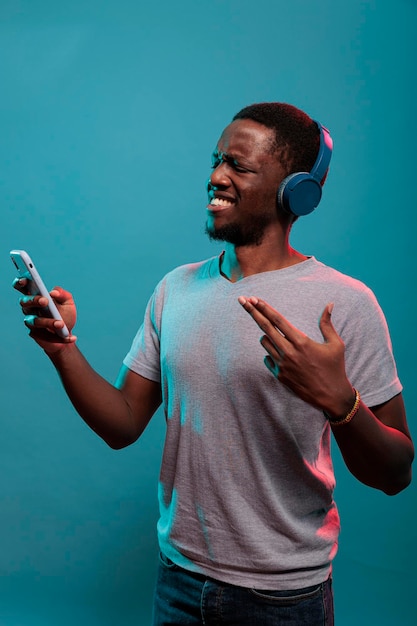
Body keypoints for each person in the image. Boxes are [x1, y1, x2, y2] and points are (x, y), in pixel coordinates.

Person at [14, 102, 414, 625]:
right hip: (178, 581)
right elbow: (122, 423)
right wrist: (62, 349)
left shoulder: (346, 304)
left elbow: (396, 471)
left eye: (239, 166)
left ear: (297, 191)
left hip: (284, 598)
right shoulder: (175, 289)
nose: (215, 177)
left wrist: (341, 403)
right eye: (216, 160)